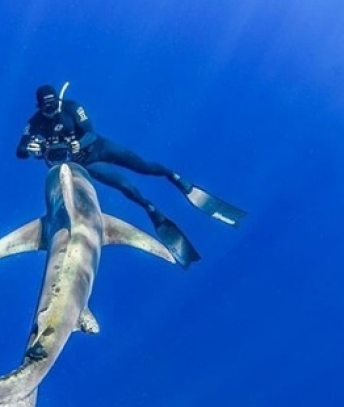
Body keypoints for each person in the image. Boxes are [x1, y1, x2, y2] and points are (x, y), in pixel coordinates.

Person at [16, 83, 246, 268]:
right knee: (128, 189)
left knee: (144, 167)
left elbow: (91, 133)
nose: (52, 111)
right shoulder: (34, 124)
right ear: (39, 108)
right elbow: (20, 150)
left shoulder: (72, 107)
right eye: (46, 109)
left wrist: (79, 143)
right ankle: (154, 212)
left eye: (54, 105)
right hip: (87, 164)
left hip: (99, 147)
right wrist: (30, 149)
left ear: (58, 100)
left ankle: (178, 180)